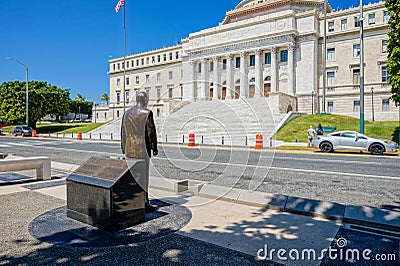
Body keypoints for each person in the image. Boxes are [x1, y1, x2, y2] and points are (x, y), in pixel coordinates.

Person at [121, 91, 158, 212]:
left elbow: (123, 132)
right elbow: (151, 132)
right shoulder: (147, 113)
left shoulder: (126, 113)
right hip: (142, 150)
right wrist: (154, 147)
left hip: (129, 149)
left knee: (132, 177)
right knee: (143, 177)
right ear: (145, 100)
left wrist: (123, 147)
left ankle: (132, 200)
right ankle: (144, 202)